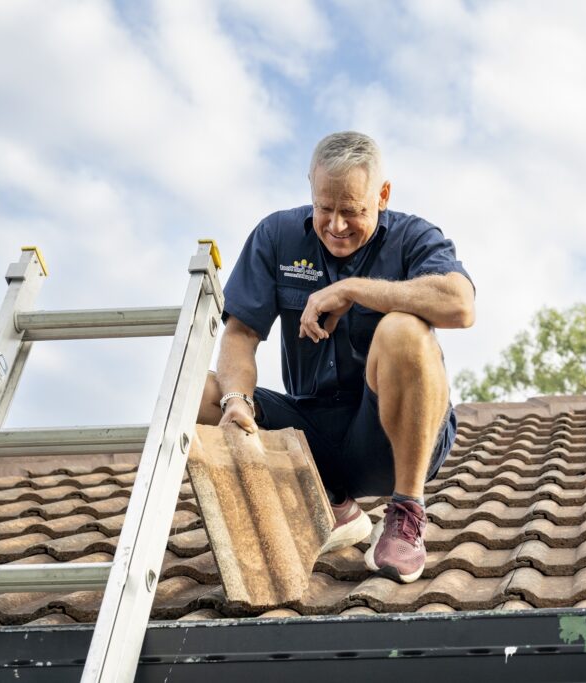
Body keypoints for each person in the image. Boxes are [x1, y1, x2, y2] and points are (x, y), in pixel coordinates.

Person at [197, 131, 474, 584]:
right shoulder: (275, 235)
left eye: (352, 211)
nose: (336, 225)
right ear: (311, 186)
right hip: (313, 435)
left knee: (404, 328)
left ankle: (406, 513)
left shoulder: (414, 236)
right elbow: (240, 334)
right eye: (325, 207)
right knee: (200, 394)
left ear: (382, 195)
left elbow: (461, 305)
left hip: (391, 439)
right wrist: (236, 403)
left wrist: (355, 290)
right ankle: (328, 504)